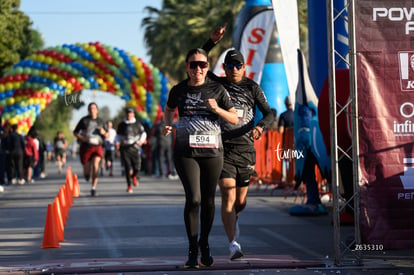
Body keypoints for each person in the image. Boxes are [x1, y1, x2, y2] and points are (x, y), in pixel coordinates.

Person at [202, 28, 274, 260]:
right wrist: (211, 42)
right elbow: (198, 61)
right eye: (230, 66)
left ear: (244, 67)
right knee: (227, 196)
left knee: (240, 201)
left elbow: (269, 113)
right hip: (222, 149)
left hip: (245, 149)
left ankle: (235, 217)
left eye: (238, 65)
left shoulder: (252, 87)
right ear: (224, 68)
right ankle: (233, 243)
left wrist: (261, 127)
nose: (234, 69)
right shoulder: (216, 84)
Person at [163, 48, 238, 269]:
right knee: (194, 199)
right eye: (193, 65)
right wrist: (167, 124)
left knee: (208, 200)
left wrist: (218, 110)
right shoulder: (178, 90)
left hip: (213, 152)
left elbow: (234, 118)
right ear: (187, 67)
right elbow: (168, 110)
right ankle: (192, 249)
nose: (198, 69)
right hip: (186, 151)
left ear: (207, 67)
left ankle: (205, 244)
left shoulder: (218, 89)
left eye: (202, 65)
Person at [73, 102, 109, 197]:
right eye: (90, 108)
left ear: (97, 110)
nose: (92, 110)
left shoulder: (101, 121)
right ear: (88, 110)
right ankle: (86, 174)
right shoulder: (84, 120)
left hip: (97, 146)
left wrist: (104, 132)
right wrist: (83, 138)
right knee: (87, 170)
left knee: (95, 165)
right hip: (86, 147)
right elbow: (75, 132)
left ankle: (93, 188)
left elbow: (108, 134)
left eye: (94, 108)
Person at [117, 108, 147, 193]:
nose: (129, 115)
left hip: (135, 147)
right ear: (126, 114)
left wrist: (141, 140)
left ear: (133, 114)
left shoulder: (137, 124)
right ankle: (129, 186)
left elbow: (143, 133)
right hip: (125, 148)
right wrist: (117, 143)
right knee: (127, 167)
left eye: (131, 113)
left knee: (137, 167)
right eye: (128, 113)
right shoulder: (122, 125)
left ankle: (134, 176)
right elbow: (118, 136)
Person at [152, 114, 176, 179]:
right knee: (168, 159)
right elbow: (174, 133)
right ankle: (169, 173)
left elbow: (154, 134)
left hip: (161, 144)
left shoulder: (158, 125)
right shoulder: (170, 125)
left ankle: (162, 173)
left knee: (161, 158)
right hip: (167, 144)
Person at [278, 96, 295, 183]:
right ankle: (296, 179)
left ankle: (289, 180)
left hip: (288, 141)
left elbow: (280, 130)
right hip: (297, 141)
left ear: (285, 104)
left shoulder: (283, 115)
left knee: (288, 160)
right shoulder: (296, 114)